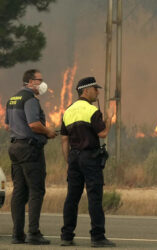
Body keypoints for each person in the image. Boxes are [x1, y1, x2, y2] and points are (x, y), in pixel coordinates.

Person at [60, 76, 115, 247]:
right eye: (95, 89)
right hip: (90, 158)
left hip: (74, 158)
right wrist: (110, 117)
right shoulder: (92, 111)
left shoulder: (67, 111)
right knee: (94, 197)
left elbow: (64, 140)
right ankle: (97, 237)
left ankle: (66, 236)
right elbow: (103, 133)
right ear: (85, 90)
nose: (97, 92)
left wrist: (68, 162)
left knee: (72, 198)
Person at [5, 69, 57, 245]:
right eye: (39, 80)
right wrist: (48, 131)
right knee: (36, 190)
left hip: (15, 147)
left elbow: (7, 126)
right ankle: (33, 233)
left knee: (19, 191)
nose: (42, 83)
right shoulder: (30, 99)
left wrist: (19, 129)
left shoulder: (13, 99)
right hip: (30, 149)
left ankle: (17, 234)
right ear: (29, 81)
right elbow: (34, 124)